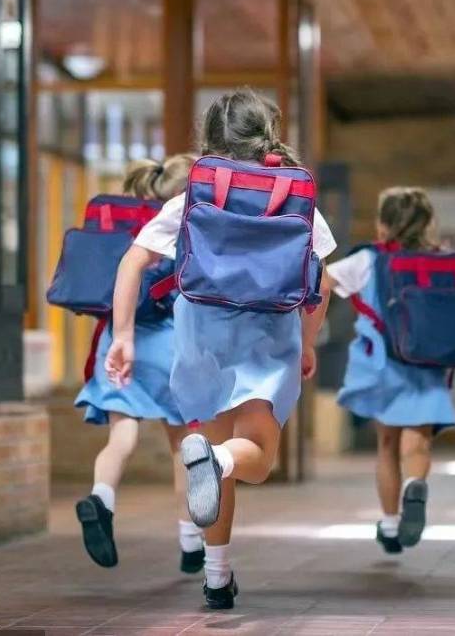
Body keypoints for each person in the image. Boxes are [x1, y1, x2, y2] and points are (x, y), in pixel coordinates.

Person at [105, 88, 336, 609]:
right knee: (254, 456)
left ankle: (216, 576)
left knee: (212, 458)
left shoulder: (194, 194)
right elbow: (321, 280)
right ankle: (218, 462)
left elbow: (133, 261)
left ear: (209, 135)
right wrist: (306, 341)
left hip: (201, 337)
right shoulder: (294, 195)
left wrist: (123, 336)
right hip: (268, 336)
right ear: (267, 132)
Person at [75, 154, 208, 575]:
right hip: (169, 342)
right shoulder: (183, 222)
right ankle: (191, 542)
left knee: (122, 436)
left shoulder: (127, 227)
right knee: (181, 445)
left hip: (119, 339)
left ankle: (101, 498)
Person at [327, 187, 455, 555]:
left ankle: (388, 523)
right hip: (427, 362)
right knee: (418, 439)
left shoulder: (367, 260)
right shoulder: (441, 259)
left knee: (387, 443)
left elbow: (321, 284)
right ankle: (415, 484)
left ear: (383, 225)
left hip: (382, 363)